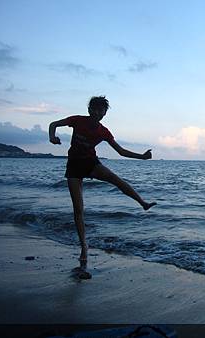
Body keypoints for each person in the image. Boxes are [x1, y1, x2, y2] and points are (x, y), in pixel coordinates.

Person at [49, 96, 156, 268]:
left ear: (105, 113)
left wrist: (142, 157)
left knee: (116, 180)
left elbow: (120, 151)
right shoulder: (77, 120)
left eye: (101, 110)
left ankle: (142, 203)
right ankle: (84, 245)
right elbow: (53, 124)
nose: (98, 113)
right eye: (95, 109)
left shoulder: (103, 131)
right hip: (74, 167)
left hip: (91, 164)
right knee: (78, 209)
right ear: (89, 109)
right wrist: (52, 137)